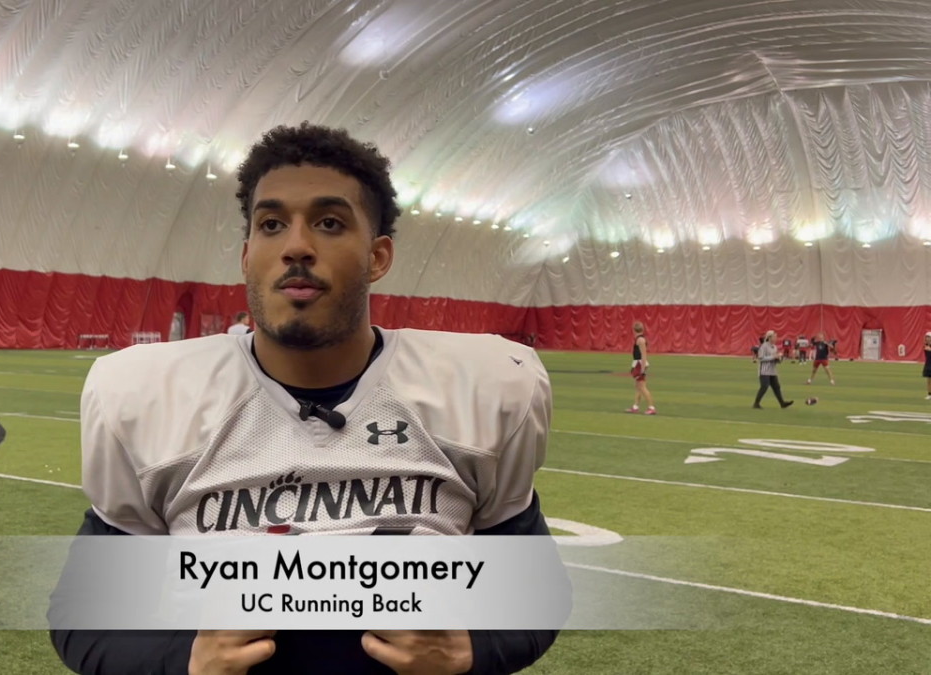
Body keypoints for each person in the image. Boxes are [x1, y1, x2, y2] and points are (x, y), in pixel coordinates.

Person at [49, 122, 567, 675]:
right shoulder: (146, 396)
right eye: (272, 224)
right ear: (248, 256)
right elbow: (83, 614)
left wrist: (473, 650)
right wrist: (185, 660)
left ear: (377, 256)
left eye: (329, 222)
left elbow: (534, 587)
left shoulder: (485, 388)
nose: (297, 246)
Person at [754, 330, 794, 409]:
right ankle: (756, 403)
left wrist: (779, 359)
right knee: (764, 386)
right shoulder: (764, 346)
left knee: (776, 387)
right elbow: (761, 358)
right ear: (769, 337)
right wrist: (773, 357)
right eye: (774, 336)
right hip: (764, 371)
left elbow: (775, 360)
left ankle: (782, 403)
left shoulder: (774, 347)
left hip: (772, 371)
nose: (776, 338)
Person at [625, 321, 656, 415]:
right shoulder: (639, 339)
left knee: (642, 387)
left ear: (633, 330)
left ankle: (651, 407)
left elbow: (644, 355)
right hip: (638, 363)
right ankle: (635, 406)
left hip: (640, 364)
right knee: (638, 387)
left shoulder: (640, 340)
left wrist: (642, 369)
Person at [923, 332, 931, 400]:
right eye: (927, 337)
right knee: (928, 381)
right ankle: (929, 394)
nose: (927, 338)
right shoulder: (925, 345)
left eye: (928, 337)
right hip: (928, 365)